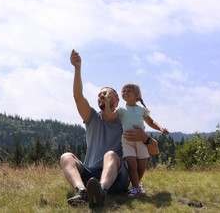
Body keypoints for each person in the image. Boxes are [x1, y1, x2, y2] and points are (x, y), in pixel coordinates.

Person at [60, 49, 160, 208]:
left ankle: (101, 192)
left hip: (117, 178)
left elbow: (155, 151)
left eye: (105, 93)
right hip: (91, 177)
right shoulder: (92, 117)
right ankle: (82, 191)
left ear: (116, 99)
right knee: (66, 156)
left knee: (111, 154)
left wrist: (144, 138)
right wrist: (77, 68)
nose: (101, 96)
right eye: (99, 95)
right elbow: (78, 97)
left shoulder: (126, 120)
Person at [104, 83, 169, 197]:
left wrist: (160, 128)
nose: (125, 93)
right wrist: (106, 103)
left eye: (129, 91)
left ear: (137, 96)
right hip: (127, 140)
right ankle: (135, 188)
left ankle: (136, 185)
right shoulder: (121, 109)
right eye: (124, 91)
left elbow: (151, 122)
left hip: (141, 141)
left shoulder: (142, 110)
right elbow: (110, 116)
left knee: (142, 167)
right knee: (132, 165)